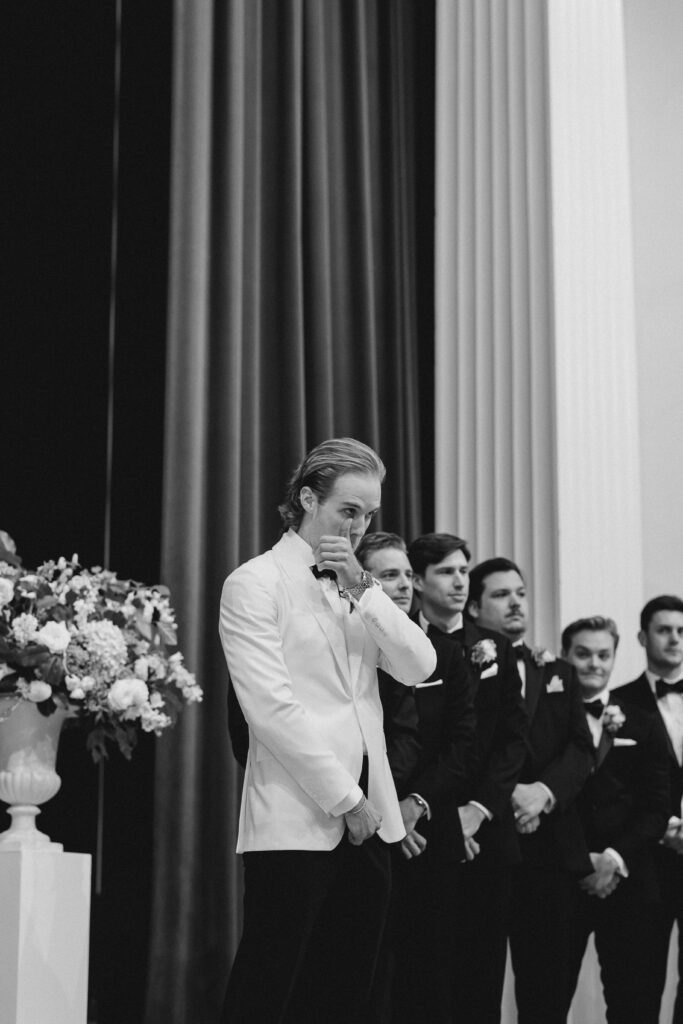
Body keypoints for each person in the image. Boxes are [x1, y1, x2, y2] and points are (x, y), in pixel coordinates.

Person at [218, 438, 436, 1024]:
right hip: (297, 815)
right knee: (268, 988)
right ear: (308, 499)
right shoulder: (254, 582)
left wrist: (365, 588)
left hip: (372, 821)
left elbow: (420, 665)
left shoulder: (357, 587)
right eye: (349, 510)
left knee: (347, 994)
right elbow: (271, 708)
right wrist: (347, 799)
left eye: (369, 514)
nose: (359, 526)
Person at [466, 557, 594, 1024]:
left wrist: (543, 791)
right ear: (474, 607)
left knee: (546, 989)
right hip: (484, 843)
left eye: (520, 593)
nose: (516, 602)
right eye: (502, 595)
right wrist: (505, 794)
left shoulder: (559, 670)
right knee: (474, 983)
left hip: (549, 849)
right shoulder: (460, 662)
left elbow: (581, 748)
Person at [356, 531, 477, 1023]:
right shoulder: (348, 647)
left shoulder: (443, 654)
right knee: (362, 971)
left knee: (428, 973)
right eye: (390, 575)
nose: (405, 585)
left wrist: (414, 805)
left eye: (408, 574)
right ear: (360, 580)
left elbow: (461, 744)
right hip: (360, 823)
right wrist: (387, 812)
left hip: (428, 828)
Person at [407, 533, 528, 1024]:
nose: (460, 581)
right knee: (422, 970)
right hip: (423, 828)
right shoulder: (400, 643)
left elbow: (512, 741)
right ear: (418, 581)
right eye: (446, 572)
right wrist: (437, 811)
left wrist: (477, 811)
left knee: (482, 973)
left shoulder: (496, 648)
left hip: (487, 832)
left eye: (463, 571)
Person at [561, 615, 670, 1023]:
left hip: (630, 883)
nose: (594, 664)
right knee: (546, 1003)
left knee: (633, 1007)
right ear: (565, 656)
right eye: (583, 654)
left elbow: (657, 806)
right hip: (561, 882)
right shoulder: (545, 719)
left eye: (603, 655)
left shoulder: (643, 721)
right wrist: (581, 860)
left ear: (614, 657)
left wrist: (614, 858)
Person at [618, 595, 683, 1021]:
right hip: (648, 862)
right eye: (664, 630)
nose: (674, 639)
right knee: (640, 980)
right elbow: (618, 785)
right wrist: (662, 826)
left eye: (681, 631)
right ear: (643, 637)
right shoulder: (619, 703)